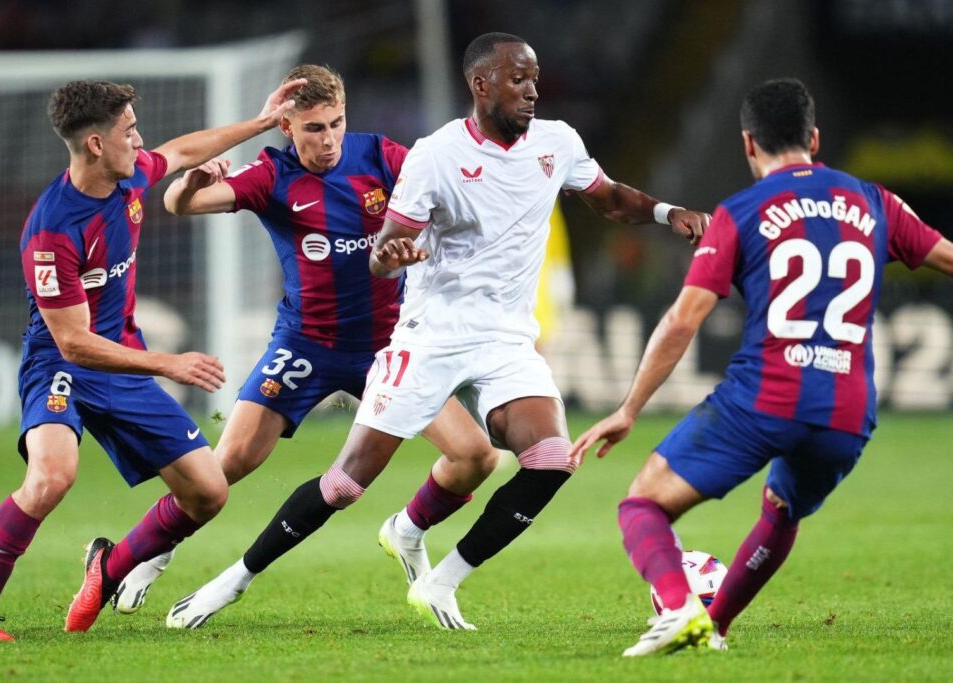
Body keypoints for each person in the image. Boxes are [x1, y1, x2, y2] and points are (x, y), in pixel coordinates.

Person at [156, 32, 706, 632]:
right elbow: (382, 253)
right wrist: (394, 253)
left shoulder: (558, 142)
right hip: (430, 335)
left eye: (534, 77)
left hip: (505, 339)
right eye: (517, 79)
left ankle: (440, 576)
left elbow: (608, 198)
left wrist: (663, 212)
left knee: (549, 460)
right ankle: (231, 581)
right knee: (343, 485)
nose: (531, 90)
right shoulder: (436, 155)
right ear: (481, 85)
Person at [570, 78, 953, 656]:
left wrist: (629, 409)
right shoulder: (875, 201)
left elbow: (682, 320)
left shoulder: (742, 211)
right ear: (815, 138)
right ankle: (714, 627)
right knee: (781, 510)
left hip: (766, 396)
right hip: (849, 412)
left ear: (748, 144)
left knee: (643, 503)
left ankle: (679, 606)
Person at [111, 64, 500, 628]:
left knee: (476, 456)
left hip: (389, 350)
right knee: (223, 471)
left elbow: (451, 191)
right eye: (314, 128)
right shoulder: (271, 173)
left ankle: (407, 530)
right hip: (306, 346)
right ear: (287, 129)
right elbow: (178, 205)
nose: (329, 139)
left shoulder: (382, 158)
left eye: (336, 123)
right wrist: (194, 182)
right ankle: (155, 549)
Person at [0, 77, 307, 641]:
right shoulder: (52, 231)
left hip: (124, 362)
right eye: (130, 131)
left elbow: (184, 151)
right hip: (61, 366)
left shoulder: (130, 177)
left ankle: (108, 568)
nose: (141, 142)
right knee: (50, 477)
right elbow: (72, 343)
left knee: (208, 492)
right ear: (95, 144)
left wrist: (261, 124)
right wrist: (169, 364)